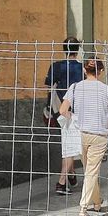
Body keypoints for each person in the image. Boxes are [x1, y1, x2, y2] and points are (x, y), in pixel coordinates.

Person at [57, 55, 108, 216]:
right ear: (101, 71)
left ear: (84, 70)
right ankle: (83, 208)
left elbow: (62, 110)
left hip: (81, 134)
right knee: (92, 171)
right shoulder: (107, 90)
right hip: (99, 135)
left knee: (89, 170)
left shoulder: (75, 87)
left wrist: (73, 117)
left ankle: (96, 202)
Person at [44, 38, 85, 195]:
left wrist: (49, 107)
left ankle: (71, 174)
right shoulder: (82, 69)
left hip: (60, 108)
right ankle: (61, 182)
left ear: (64, 49)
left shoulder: (56, 66)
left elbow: (49, 87)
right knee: (71, 145)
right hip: (77, 111)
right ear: (78, 49)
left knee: (69, 142)